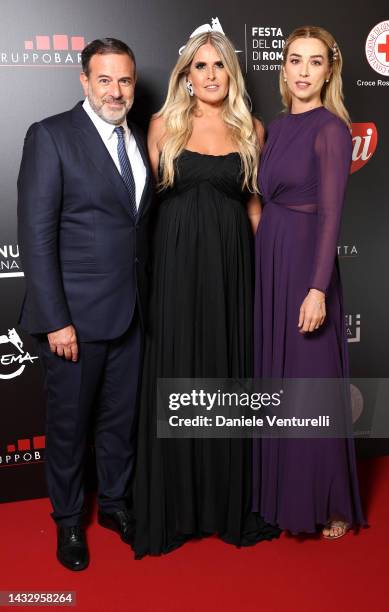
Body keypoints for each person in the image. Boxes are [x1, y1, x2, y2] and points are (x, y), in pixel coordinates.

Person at [131, 31, 280, 558]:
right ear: (185, 76)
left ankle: (224, 502)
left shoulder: (252, 129)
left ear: (231, 74)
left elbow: (255, 208)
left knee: (223, 370)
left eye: (220, 65)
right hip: (174, 268)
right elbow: (143, 208)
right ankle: (178, 506)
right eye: (201, 66)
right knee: (178, 371)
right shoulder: (160, 125)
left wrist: (264, 276)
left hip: (232, 268)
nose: (211, 74)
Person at [17, 38, 153, 570]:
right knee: (71, 429)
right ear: (84, 81)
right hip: (73, 321)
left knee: (120, 423)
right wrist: (56, 321)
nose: (115, 91)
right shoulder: (51, 136)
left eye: (124, 81)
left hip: (132, 315)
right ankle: (69, 522)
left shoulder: (138, 140)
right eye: (104, 80)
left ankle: (115, 505)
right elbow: (36, 235)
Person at [252, 26, 366, 538]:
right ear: (284, 69)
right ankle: (280, 493)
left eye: (314, 62)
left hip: (307, 267)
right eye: (294, 60)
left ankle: (330, 503)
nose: (302, 71)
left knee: (312, 387)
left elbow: (332, 216)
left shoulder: (332, 130)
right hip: (271, 259)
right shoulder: (273, 129)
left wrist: (318, 288)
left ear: (329, 71)